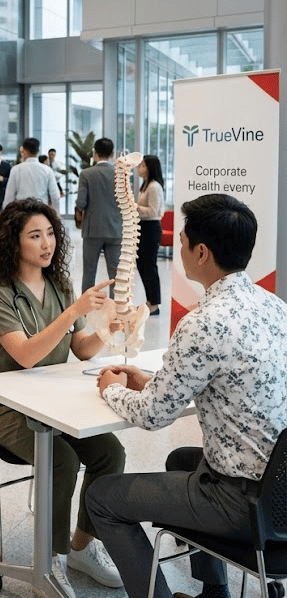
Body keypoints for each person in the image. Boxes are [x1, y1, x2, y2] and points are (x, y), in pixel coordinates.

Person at [86, 194, 287, 598]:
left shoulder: (202, 323)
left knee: (102, 498)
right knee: (181, 460)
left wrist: (112, 389)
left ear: (201, 252)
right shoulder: (275, 306)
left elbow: (153, 416)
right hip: (280, 488)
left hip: (241, 501)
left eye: (181, 240)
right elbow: (230, 378)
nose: (177, 247)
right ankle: (215, 592)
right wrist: (155, 379)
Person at [0, 198, 126, 598]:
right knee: (61, 459)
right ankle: (50, 560)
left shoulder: (58, 285)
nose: (47, 243)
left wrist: (108, 328)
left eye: (51, 234)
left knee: (111, 453)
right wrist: (74, 308)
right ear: (13, 242)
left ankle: (81, 545)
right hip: (6, 407)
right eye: (35, 235)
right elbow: (25, 356)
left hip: (52, 404)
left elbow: (82, 348)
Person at [75, 137, 121, 293]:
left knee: (89, 273)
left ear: (95, 154)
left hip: (92, 230)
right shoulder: (120, 174)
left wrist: (79, 213)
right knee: (115, 275)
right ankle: (116, 311)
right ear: (112, 153)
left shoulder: (86, 174)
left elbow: (81, 202)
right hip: (115, 229)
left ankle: (85, 311)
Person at [136, 154, 165, 315]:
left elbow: (154, 211)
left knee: (150, 266)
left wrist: (135, 207)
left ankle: (154, 304)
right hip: (143, 226)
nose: (140, 168)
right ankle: (149, 300)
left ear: (150, 168)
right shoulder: (145, 185)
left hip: (151, 227)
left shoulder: (154, 187)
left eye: (143, 165)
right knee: (142, 265)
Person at [2, 137, 61, 211]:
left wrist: (7, 215)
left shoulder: (16, 170)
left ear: (24, 151)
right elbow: (55, 196)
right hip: (41, 212)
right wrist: (57, 215)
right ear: (38, 152)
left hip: (21, 213)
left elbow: (9, 196)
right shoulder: (47, 170)